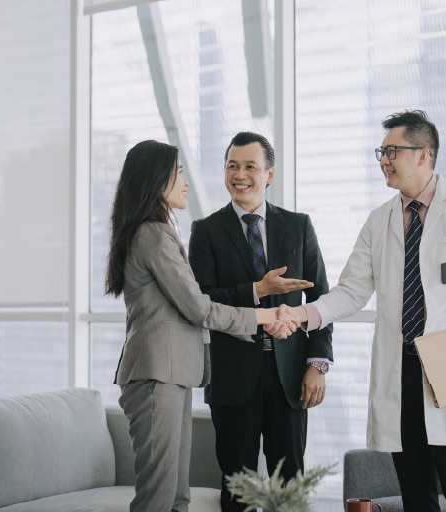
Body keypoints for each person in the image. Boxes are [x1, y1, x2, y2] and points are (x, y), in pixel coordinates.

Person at [287, 110, 446, 511]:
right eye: (381, 151)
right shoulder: (380, 221)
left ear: (423, 155)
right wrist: (303, 315)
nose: (383, 160)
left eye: (392, 151)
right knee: (414, 488)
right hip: (402, 368)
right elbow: (351, 292)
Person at [106, 139, 298, 512]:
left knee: (178, 496)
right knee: (159, 497)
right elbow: (199, 308)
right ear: (155, 178)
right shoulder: (153, 234)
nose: (185, 181)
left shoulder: (157, 230)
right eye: (178, 172)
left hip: (170, 373)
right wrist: (265, 315)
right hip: (155, 375)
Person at [187, 131, 333, 512]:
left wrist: (317, 364)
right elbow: (202, 301)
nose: (239, 174)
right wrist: (257, 290)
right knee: (238, 489)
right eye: (232, 166)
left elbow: (322, 301)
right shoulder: (205, 232)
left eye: (250, 166)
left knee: (291, 486)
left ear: (269, 174)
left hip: (290, 376)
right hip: (233, 377)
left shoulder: (298, 226)